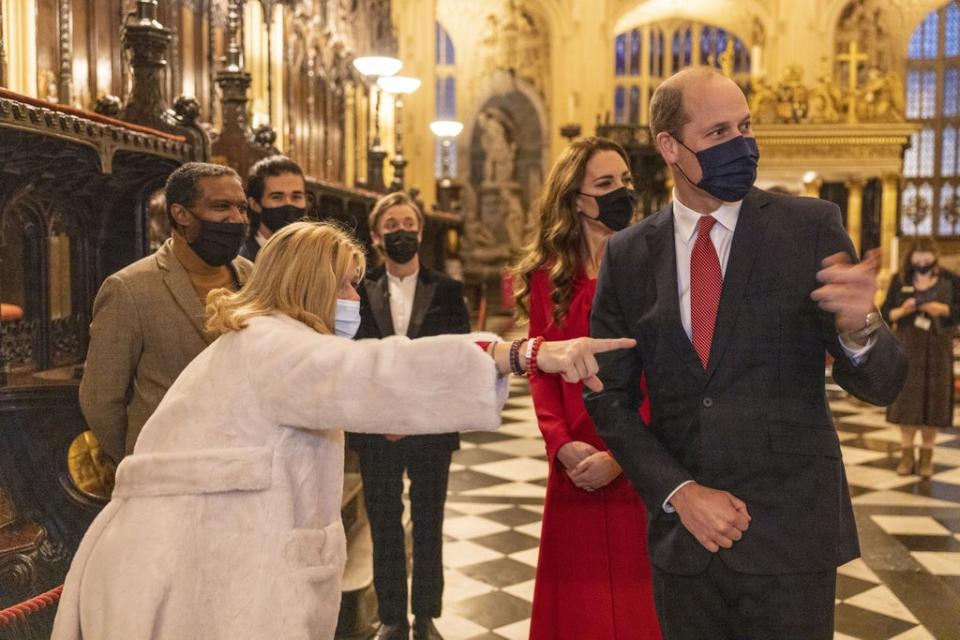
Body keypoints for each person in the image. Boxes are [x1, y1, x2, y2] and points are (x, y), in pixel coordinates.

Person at [52, 220, 635, 640]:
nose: (357, 297)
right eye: (348, 284)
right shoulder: (271, 346)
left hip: (207, 562)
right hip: (197, 576)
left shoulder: (267, 340)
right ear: (310, 284)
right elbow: (377, 369)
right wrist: (523, 354)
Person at [585, 67, 907, 640]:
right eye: (718, 133)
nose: (742, 146)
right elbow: (609, 397)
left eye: (746, 126)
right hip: (687, 542)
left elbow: (882, 385)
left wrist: (862, 325)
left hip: (790, 535)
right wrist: (679, 493)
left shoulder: (809, 227)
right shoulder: (630, 255)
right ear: (670, 147)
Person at [512, 137, 661, 640]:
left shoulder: (653, 268)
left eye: (625, 182)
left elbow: (663, 373)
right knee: (579, 601)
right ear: (576, 199)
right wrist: (560, 445)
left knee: (641, 599)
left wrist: (624, 454)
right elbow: (539, 370)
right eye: (605, 184)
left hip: (639, 454)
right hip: (574, 461)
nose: (621, 192)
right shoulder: (543, 278)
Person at [347, 193, 469, 640]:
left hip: (431, 426)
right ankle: (393, 616)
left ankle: (426, 615)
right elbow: (354, 360)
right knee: (383, 522)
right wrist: (385, 416)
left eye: (409, 223)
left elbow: (456, 361)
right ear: (377, 236)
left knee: (429, 519)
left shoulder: (448, 290)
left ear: (420, 231)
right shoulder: (359, 290)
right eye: (392, 224)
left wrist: (414, 415)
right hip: (377, 429)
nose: (403, 231)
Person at [80, 162, 253, 463]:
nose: (236, 219)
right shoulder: (129, 288)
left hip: (244, 463)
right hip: (165, 469)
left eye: (242, 208)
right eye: (221, 207)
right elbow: (101, 399)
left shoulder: (252, 277)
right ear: (181, 214)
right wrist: (140, 457)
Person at [882, 237, 958, 478]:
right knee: (908, 399)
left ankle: (926, 456)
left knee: (933, 399)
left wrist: (941, 309)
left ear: (935, 256)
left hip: (938, 345)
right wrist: (904, 310)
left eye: (927, 255)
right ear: (910, 256)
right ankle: (906, 455)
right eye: (918, 255)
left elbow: (957, 311)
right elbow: (886, 313)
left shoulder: (950, 279)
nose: (923, 260)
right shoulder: (900, 279)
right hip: (908, 345)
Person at [240, 154, 308, 261]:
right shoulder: (242, 260)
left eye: (296, 196)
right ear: (255, 205)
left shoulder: (316, 254)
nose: (288, 203)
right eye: (277, 197)